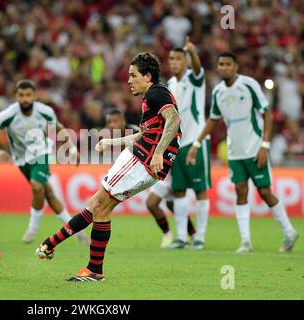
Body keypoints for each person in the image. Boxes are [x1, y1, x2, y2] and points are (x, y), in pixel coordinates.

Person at [35, 52, 182, 281]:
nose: (129, 80)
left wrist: (160, 152)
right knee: (99, 206)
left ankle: (86, 265)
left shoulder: (156, 92)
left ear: (148, 76)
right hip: (145, 159)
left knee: (99, 205)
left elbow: (174, 120)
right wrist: (112, 142)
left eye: (133, 75)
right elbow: (146, 134)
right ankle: (55, 247)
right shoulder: (151, 98)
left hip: (141, 159)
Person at [187, 52, 299, 253]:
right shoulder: (218, 91)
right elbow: (213, 119)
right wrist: (196, 143)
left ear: (236, 66)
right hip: (235, 151)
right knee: (240, 190)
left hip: (255, 148)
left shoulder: (249, 85)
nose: (223, 68)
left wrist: (265, 146)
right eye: (220, 64)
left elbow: (267, 114)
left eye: (227, 64)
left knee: (264, 192)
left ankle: (289, 231)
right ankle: (245, 241)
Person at [0, 79, 88, 245]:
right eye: (21, 95)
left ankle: (32, 229)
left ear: (34, 96)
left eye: (28, 95)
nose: (25, 99)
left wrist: (72, 148)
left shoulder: (45, 111)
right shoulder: (8, 114)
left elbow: (58, 127)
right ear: (16, 96)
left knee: (37, 186)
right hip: (21, 160)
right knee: (49, 194)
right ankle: (76, 231)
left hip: (41, 153)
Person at [105, 108, 196, 248]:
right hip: (153, 169)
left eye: (115, 121)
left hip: (165, 167)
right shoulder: (113, 137)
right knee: (160, 204)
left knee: (163, 203)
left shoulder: (136, 132)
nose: (112, 125)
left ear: (123, 120)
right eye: (109, 122)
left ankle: (185, 236)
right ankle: (180, 235)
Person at [164, 37, 211, 250]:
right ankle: (182, 237)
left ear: (185, 61)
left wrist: (192, 52)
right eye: (171, 59)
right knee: (179, 190)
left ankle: (199, 236)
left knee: (200, 189)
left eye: (177, 59)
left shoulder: (194, 77)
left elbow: (200, 69)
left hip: (195, 141)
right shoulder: (170, 84)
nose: (173, 62)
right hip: (177, 144)